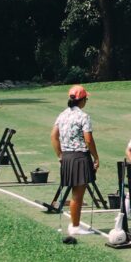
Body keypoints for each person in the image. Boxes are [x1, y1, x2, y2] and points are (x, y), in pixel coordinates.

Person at [51, 85, 98, 234]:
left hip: (67, 157)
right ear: (82, 100)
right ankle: (75, 227)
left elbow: (53, 136)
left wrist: (60, 155)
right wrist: (96, 157)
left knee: (75, 194)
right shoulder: (84, 116)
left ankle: (74, 224)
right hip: (80, 157)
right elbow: (88, 140)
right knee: (77, 195)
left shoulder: (62, 114)